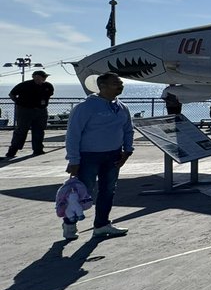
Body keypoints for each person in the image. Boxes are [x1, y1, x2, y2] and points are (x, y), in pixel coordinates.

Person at [65, 73, 134, 238]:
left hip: (114, 156)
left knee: (108, 191)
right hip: (89, 157)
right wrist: (74, 160)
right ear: (102, 86)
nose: (120, 85)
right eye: (116, 83)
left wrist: (128, 151)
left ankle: (102, 225)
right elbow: (73, 134)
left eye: (120, 82)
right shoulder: (85, 107)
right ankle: (69, 224)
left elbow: (127, 129)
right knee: (82, 192)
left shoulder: (121, 107)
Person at [6, 70, 54, 158]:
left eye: (45, 77)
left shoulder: (48, 86)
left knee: (39, 130)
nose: (44, 78)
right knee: (21, 130)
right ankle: (12, 151)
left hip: (41, 111)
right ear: (35, 77)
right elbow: (12, 94)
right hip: (25, 111)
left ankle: (38, 149)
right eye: (43, 76)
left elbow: (49, 95)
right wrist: (19, 103)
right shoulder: (24, 85)